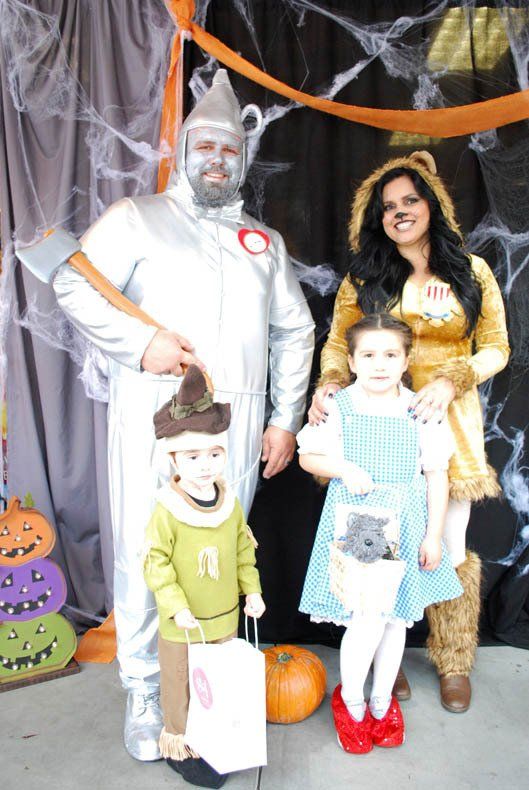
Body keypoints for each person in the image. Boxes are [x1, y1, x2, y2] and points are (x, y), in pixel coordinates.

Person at [52, 69, 314, 759]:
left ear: (242, 159)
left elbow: (294, 331)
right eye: (205, 146)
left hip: (238, 424)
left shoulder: (264, 243)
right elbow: (72, 283)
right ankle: (145, 693)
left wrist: (285, 417)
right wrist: (143, 343)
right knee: (152, 552)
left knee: (218, 554)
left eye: (229, 150)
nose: (217, 160)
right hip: (155, 420)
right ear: (182, 149)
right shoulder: (136, 218)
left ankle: (202, 689)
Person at [309, 150, 509, 712]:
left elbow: (497, 347)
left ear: (432, 205)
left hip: (450, 428)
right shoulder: (365, 278)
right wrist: (328, 382)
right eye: (388, 206)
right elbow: (337, 343)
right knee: (382, 546)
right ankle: (383, 660)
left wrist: (454, 377)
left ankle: (453, 660)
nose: (400, 212)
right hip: (375, 427)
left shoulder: (472, 272)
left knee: (446, 547)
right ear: (376, 218)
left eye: (410, 201)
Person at [298, 313, 463, 752]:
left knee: (395, 624)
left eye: (390, 354)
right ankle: (350, 699)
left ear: (407, 359)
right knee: (368, 618)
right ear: (351, 361)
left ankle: (380, 699)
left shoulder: (419, 409)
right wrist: (343, 467)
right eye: (368, 355)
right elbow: (308, 456)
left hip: (407, 523)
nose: (379, 364)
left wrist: (433, 535)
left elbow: (436, 474)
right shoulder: (341, 406)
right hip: (362, 525)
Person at [143, 365, 265, 789]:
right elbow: (155, 564)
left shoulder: (228, 504)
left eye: (214, 454)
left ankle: (216, 738)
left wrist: (252, 591)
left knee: (217, 683)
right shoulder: (167, 511)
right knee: (181, 686)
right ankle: (182, 744)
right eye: (192, 457)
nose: (204, 465)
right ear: (173, 459)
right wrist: (175, 608)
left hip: (222, 618)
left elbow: (240, 551)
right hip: (184, 625)